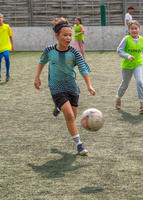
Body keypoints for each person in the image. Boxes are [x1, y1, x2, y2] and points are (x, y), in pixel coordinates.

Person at [34, 17, 96, 156]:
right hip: (56, 87)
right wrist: (37, 77)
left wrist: (89, 86)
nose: (68, 38)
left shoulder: (74, 52)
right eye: (65, 35)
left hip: (72, 87)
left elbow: (83, 69)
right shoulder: (49, 50)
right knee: (68, 114)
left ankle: (57, 107)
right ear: (57, 35)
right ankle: (79, 144)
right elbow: (41, 61)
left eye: (70, 35)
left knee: (72, 117)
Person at [116, 20, 143, 112]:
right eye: (132, 29)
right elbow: (119, 51)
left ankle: (142, 104)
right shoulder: (126, 39)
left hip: (137, 65)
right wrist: (127, 56)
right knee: (125, 84)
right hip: (126, 66)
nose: (134, 30)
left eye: (136, 28)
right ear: (128, 30)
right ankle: (118, 98)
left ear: (139, 29)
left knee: (139, 81)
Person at [0, 13, 15, 81]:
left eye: (1, 17)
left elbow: (10, 36)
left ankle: (7, 74)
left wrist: (12, 45)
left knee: (7, 58)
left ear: (3, 18)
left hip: (6, 47)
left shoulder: (7, 27)